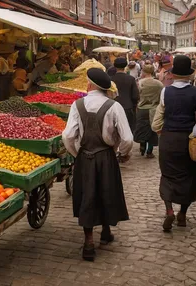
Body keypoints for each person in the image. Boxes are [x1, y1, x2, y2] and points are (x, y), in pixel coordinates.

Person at [62, 68, 132, 261]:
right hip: (106, 157)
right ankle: (106, 231)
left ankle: (89, 242)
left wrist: (78, 153)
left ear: (90, 85)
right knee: (107, 192)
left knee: (87, 195)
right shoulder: (114, 106)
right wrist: (122, 154)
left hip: (85, 156)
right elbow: (127, 138)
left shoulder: (77, 105)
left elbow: (67, 136)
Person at [152, 55, 196, 231]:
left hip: (169, 139)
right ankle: (183, 214)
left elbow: (157, 120)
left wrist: (160, 130)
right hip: (190, 140)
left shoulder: (166, 91)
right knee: (190, 175)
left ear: (173, 74)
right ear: (190, 74)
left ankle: (169, 209)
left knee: (168, 174)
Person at [134, 65, 164, 158]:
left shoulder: (140, 83)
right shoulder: (159, 84)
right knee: (152, 130)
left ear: (143, 72)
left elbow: (137, 96)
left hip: (142, 108)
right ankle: (149, 151)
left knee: (142, 127)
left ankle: (142, 145)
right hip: (154, 108)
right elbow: (161, 97)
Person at [111, 58, 140, 132]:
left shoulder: (111, 79)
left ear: (115, 66)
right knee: (127, 130)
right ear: (125, 66)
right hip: (127, 107)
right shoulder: (131, 79)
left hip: (113, 106)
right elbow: (135, 96)